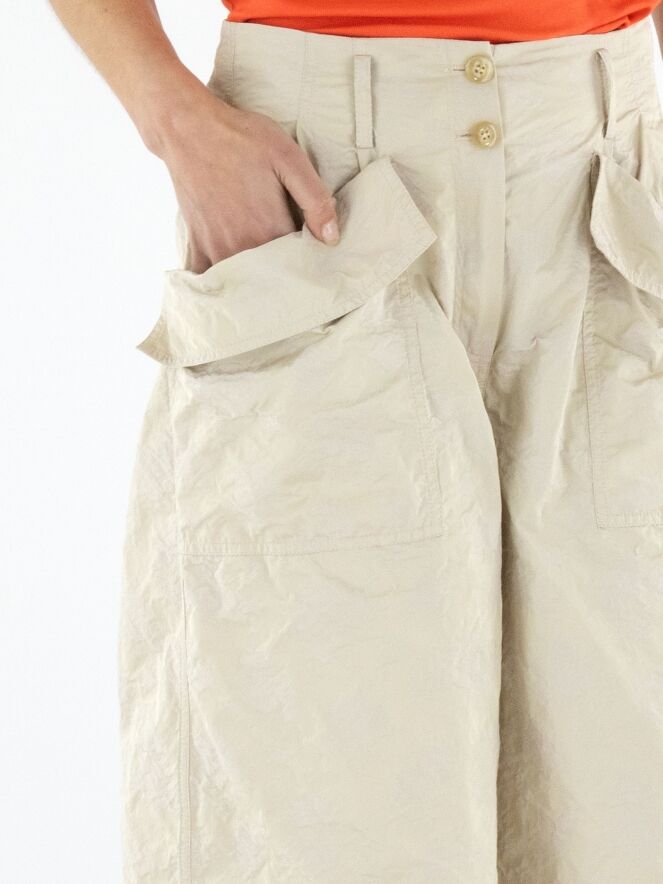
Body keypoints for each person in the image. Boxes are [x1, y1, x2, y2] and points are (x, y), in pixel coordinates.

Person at [50, 2, 663, 881]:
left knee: (626, 808)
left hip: (606, 185)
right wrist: (171, 117)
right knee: (319, 801)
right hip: (313, 189)